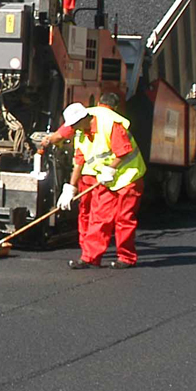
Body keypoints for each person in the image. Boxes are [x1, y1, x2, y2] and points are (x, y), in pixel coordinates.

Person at [40, 101, 146, 269]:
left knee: (123, 219)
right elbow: (79, 162)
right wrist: (70, 188)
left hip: (128, 177)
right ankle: (90, 257)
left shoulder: (110, 125)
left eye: (75, 125)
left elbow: (124, 150)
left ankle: (126, 257)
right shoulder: (81, 134)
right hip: (106, 180)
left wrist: (110, 170)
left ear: (84, 119)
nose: (73, 129)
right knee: (99, 217)